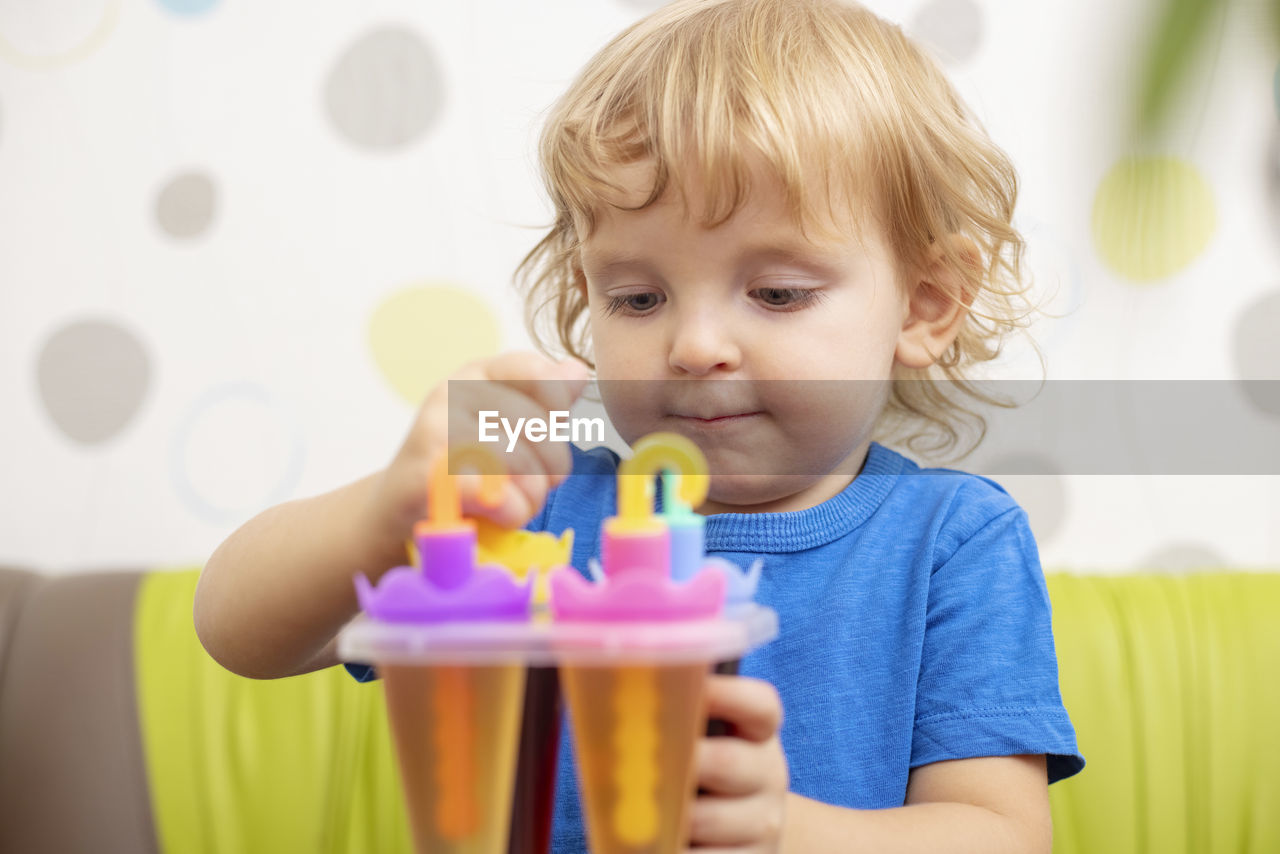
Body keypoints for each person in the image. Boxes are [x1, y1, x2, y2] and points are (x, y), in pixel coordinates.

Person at [195, 1, 1083, 851]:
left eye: (777, 292)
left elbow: (998, 833)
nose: (694, 346)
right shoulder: (536, 499)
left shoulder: (954, 540)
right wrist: (387, 513)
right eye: (639, 297)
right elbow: (238, 631)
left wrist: (789, 834)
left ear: (925, 305)